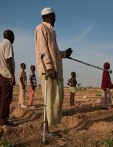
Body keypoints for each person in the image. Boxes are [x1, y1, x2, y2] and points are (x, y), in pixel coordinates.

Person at [35, 7, 73, 136]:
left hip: (54, 71)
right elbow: (43, 49)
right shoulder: (41, 28)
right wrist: (49, 67)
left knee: (54, 100)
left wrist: (65, 54)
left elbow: (54, 52)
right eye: (55, 17)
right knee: (48, 101)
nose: (56, 19)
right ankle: (45, 131)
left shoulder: (51, 31)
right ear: (50, 16)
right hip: (48, 71)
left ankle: (47, 129)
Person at [0, 30, 15, 126]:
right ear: (10, 36)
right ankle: (3, 120)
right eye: (13, 36)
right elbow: (8, 60)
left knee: (0, 98)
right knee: (6, 98)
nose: (14, 38)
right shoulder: (8, 45)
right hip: (6, 75)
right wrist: (12, 75)